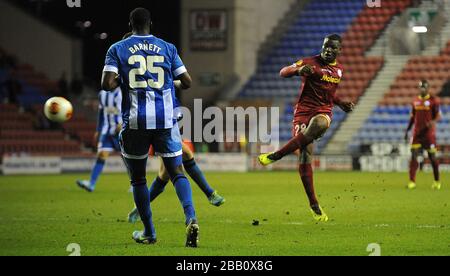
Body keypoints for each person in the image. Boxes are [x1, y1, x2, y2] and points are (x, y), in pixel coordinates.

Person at [101, 7, 199, 247]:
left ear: (130, 24)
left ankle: (149, 232)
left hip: (136, 121)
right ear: (150, 24)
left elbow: (107, 84)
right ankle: (191, 218)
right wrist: (166, 80)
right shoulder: (167, 47)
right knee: (177, 173)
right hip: (165, 120)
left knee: (138, 180)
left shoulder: (117, 49)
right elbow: (186, 82)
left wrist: (124, 79)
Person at [258, 34, 354, 222]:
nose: (328, 50)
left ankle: (276, 155)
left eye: (333, 48)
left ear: (339, 50)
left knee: (319, 123)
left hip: (323, 112)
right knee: (305, 155)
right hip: (302, 113)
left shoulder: (339, 71)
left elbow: (328, 95)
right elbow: (283, 72)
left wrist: (340, 103)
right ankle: (314, 205)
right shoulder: (310, 62)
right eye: (326, 46)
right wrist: (299, 70)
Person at [76, 87, 122, 192]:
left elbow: (129, 109)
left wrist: (122, 123)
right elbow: (101, 113)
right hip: (106, 131)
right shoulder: (102, 94)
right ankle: (91, 184)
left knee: (127, 159)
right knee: (101, 155)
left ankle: (135, 184)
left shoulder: (121, 93)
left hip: (119, 132)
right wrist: (98, 130)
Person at [404, 80, 441, 190]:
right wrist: (407, 130)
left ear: (428, 88)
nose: (422, 89)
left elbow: (438, 116)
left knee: (432, 157)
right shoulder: (415, 101)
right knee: (413, 156)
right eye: (420, 87)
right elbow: (412, 117)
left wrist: (432, 122)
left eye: (424, 87)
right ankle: (412, 181)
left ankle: (437, 181)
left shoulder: (433, 100)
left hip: (428, 134)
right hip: (417, 133)